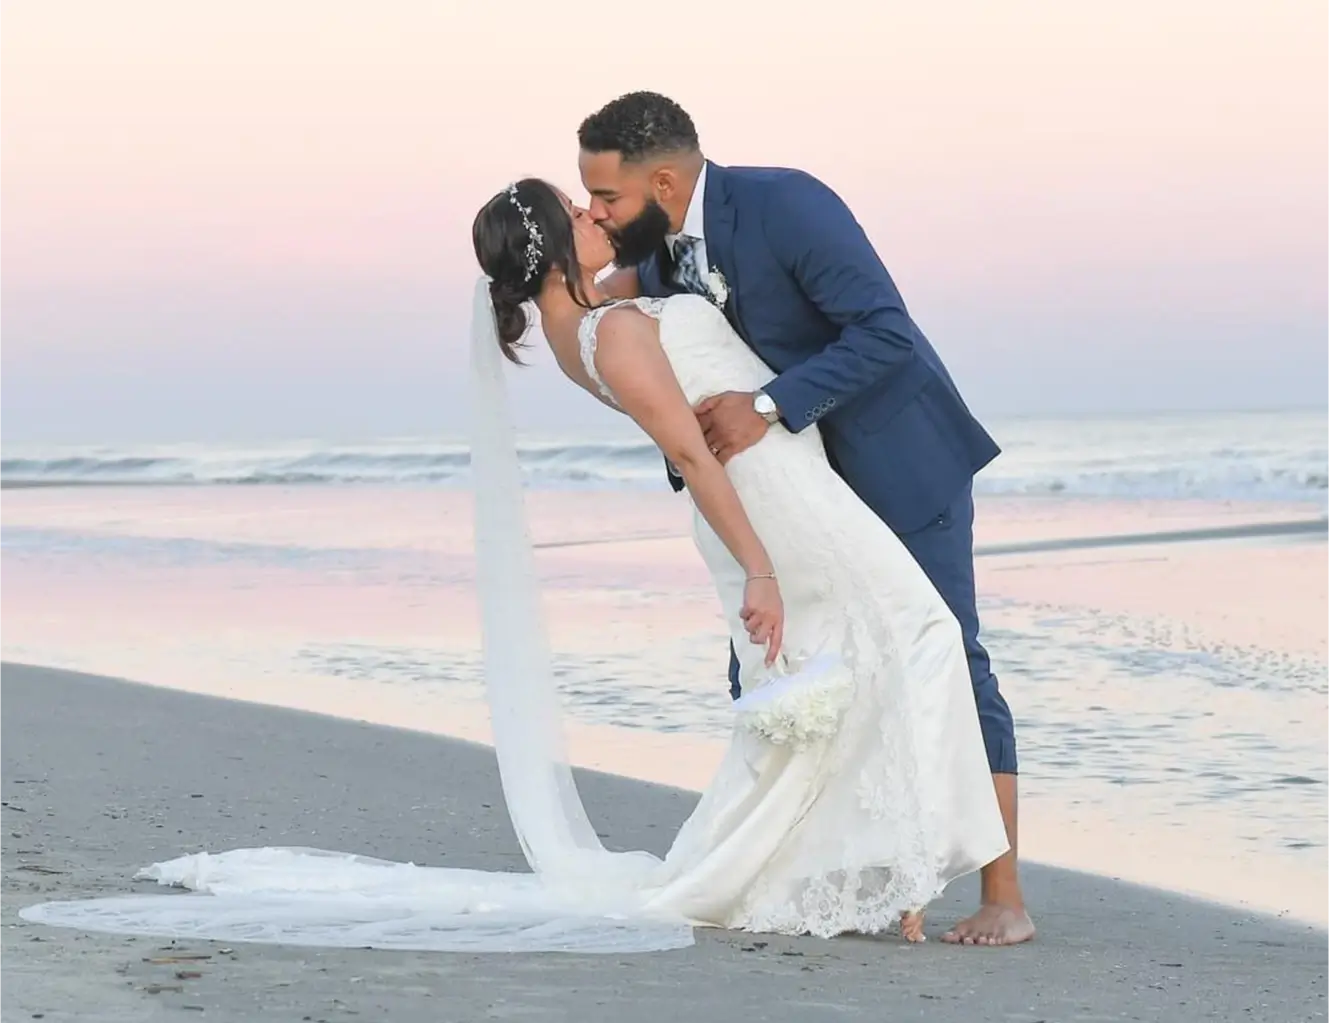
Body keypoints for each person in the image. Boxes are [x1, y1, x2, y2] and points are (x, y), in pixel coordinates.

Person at [16, 177, 1010, 952]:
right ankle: (898, 867)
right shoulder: (616, 331)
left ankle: (874, 871)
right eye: (577, 211)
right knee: (912, 638)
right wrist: (757, 569)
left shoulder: (597, 320)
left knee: (841, 671)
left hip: (781, 494)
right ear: (556, 250)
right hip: (772, 511)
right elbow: (691, 452)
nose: (595, 214)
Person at [577, 91, 1034, 946]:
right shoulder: (656, 253)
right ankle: (821, 873)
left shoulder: (786, 203)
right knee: (777, 673)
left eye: (606, 197)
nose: (597, 211)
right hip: (789, 495)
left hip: (895, 461)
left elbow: (884, 332)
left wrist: (765, 404)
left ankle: (1001, 894)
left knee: (943, 652)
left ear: (664, 182)